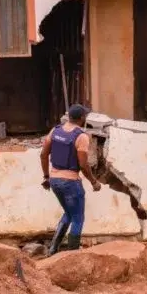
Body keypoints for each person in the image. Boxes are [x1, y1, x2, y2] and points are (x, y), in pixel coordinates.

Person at [41, 104, 101, 255]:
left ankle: (53, 250)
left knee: (68, 213)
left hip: (54, 180)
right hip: (70, 182)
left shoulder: (55, 131)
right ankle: (72, 256)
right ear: (82, 118)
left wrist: (46, 176)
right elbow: (83, 164)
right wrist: (94, 182)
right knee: (77, 218)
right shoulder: (81, 136)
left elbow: (43, 154)